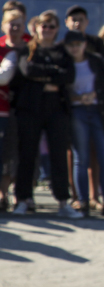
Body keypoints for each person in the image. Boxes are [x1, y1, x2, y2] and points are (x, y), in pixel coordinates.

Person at [10, 12, 76, 217]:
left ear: (57, 30)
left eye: (51, 26)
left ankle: (63, 201)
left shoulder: (63, 52)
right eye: (43, 26)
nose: (47, 30)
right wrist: (52, 76)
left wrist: (44, 77)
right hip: (30, 109)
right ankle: (23, 199)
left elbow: (68, 75)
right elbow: (28, 70)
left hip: (56, 110)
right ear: (36, 28)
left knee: (58, 155)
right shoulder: (27, 50)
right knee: (27, 155)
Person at [64, 30, 104, 218]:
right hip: (77, 113)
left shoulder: (97, 62)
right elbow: (60, 92)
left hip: (99, 112)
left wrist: (95, 96)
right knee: (80, 159)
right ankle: (83, 202)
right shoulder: (64, 65)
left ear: (84, 45)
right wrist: (77, 97)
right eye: (71, 45)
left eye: (78, 44)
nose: (75, 48)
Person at [0, 8, 25, 211]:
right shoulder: (0, 47)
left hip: (23, 109)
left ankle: (20, 193)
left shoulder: (29, 48)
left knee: (16, 154)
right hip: (2, 109)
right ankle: (2, 194)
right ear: (4, 25)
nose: (14, 28)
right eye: (11, 23)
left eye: (18, 24)